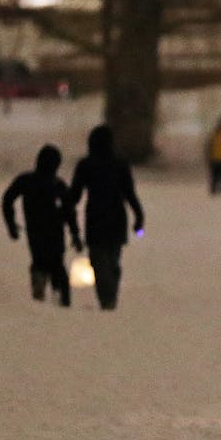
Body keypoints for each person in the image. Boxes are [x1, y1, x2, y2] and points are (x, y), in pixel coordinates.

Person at [68, 124, 144, 311]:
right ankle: (110, 295)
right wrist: (138, 217)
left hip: (95, 218)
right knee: (112, 260)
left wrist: (64, 207)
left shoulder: (86, 165)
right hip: (117, 218)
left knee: (99, 261)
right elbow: (129, 193)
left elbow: (74, 195)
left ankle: (107, 297)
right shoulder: (120, 164)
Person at [3, 144, 84, 306]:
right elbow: (69, 211)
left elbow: (7, 200)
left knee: (39, 260)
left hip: (34, 230)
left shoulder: (25, 181)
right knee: (57, 266)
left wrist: (11, 224)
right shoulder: (57, 185)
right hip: (55, 231)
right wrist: (75, 234)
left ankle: (39, 280)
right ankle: (61, 300)